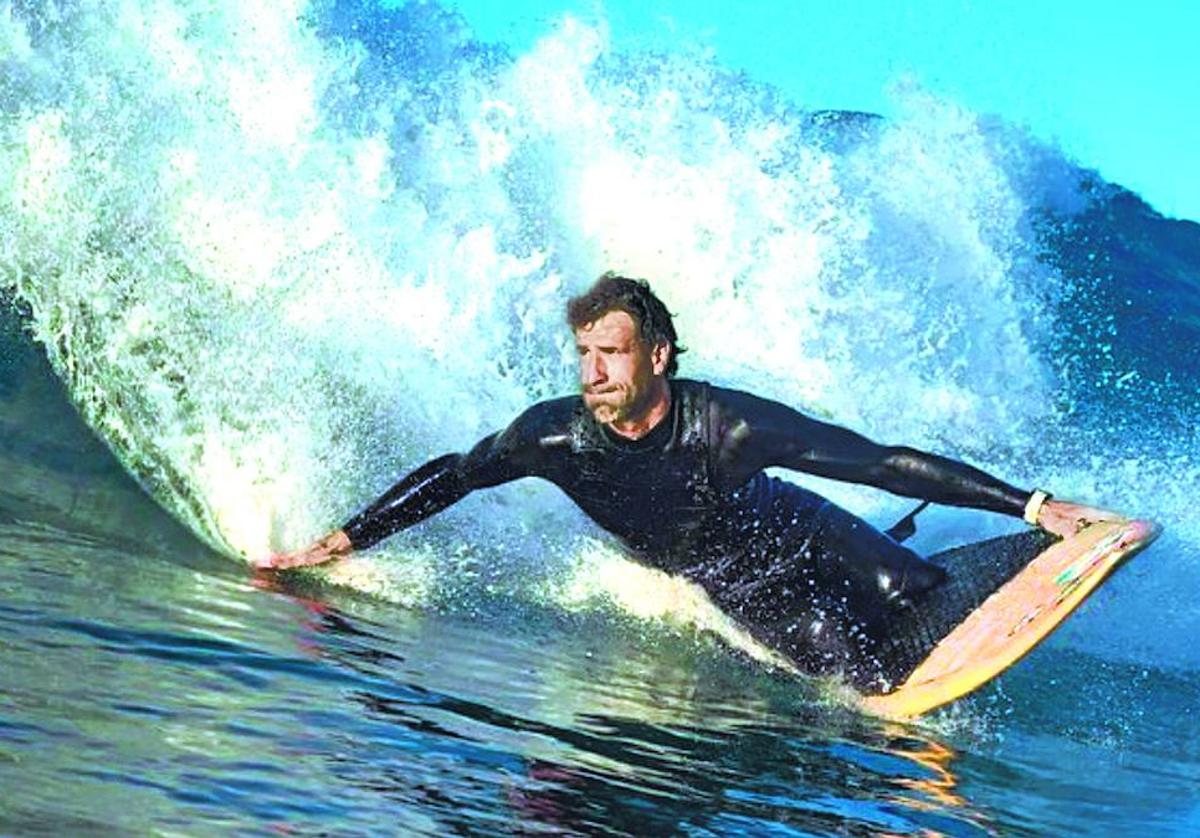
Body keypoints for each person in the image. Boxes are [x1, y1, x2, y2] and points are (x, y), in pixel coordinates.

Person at [256, 274, 1118, 689]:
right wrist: (341, 541)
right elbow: (457, 475)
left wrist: (1033, 503)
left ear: (657, 356)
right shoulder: (554, 436)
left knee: (915, 586)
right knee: (850, 664)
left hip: (804, 529)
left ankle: (1014, 547)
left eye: (612, 352)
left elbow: (875, 460)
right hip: (739, 583)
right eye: (584, 354)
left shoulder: (730, 426)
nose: (593, 373)